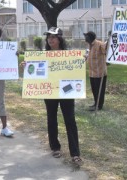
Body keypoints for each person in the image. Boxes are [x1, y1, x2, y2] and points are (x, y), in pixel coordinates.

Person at [41, 27, 82, 165]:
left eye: (53, 37)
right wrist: (27, 65)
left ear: (59, 39)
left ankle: (75, 153)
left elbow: (75, 70)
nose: (50, 39)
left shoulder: (68, 55)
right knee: (51, 118)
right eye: (48, 37)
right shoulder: (43, 54)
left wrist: (81, 61)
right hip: (50, 90)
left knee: (70, 120)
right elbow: (37, 70)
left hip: (66, 90)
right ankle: (55, 147)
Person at [84, 31, 107, 111]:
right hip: (92, 73)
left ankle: (99, 105)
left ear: (90, 37)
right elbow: (89, 55)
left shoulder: (100, 44)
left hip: (99, 73)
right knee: (94, 90)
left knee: (99, 90)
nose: (85, 38)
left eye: (86, 36)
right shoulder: (89, 46)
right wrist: (86, 56)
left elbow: (107, 51)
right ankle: (95, 103)